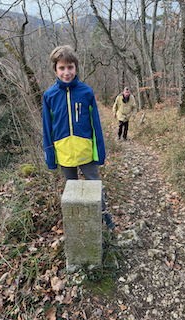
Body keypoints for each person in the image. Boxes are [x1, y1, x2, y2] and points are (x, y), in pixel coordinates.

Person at [42, 45, 115, 230]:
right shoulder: (49, 96)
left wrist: (100, 153)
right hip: (64, 153)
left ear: (76, 68)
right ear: (55, 69)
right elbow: (47, 129)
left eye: (70, 67)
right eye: (62, 68)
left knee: (95, 185)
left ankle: (103, 215)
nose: (66, 72)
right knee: (72, 190)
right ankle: (78, 223)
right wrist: (50, 158)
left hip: (86, 151)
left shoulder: (86, 92)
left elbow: (96, 126)